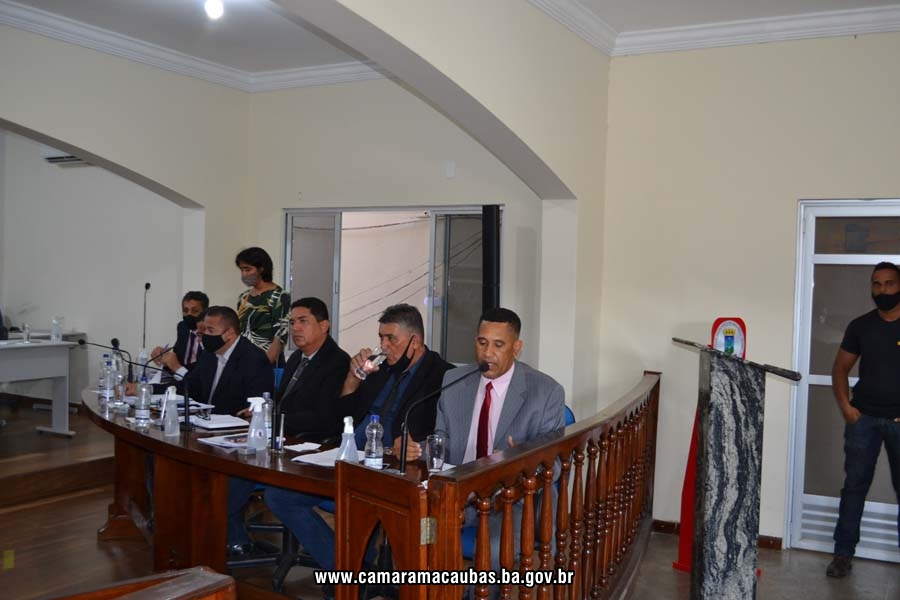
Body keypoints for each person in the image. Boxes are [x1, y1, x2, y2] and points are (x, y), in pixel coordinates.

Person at [263, 303, 453, 575]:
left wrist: (414, 446)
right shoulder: (381, 369)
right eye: (381, 338)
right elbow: (341, 415)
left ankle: (349, 572)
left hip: (391, 470)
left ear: (415, 341)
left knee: (364, 507)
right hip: (351, 457)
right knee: (279, 496)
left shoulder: (442, 375)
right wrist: (353, 379)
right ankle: (350, 568)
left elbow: (442, 433)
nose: (384, 346)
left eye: (391, 339)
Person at [398, 307, 565, 573]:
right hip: (456, 495)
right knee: (418, 533)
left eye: (498, 345)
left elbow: (553, 466)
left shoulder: (545, 392)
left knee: (494, 550)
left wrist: (523, 460)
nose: (487, 353)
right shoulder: (454, 380)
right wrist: (416, 449)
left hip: (508, 499)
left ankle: (479, 591)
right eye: (482, 342)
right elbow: (442, 440)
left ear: (516, 348)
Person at [226, 297, 351, 555]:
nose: (295, 328)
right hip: (281, 439)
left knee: (258, 487)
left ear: (324, 325)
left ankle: (341, 566)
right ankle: (232, 539)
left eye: (303, 321)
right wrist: (262, 411)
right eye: (292, 322)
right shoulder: (296, 358)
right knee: (229, 467)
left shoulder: (337, 362)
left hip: (312, 446)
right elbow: (282, 403)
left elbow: (323, 418)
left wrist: (273, 420)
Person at [826, 261, 900, 578]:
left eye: (889, 283)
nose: (883, 290)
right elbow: (840, 368)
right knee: (854, 487)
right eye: (877, 284)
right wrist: (846, 407)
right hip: (864, 420)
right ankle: (842, 554)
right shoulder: (861, 326)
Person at [186, 306, 273, 416]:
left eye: (210, 330)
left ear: (229, 332)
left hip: (233, 422)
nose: (205, 335)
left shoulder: (254, 359)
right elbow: (191, 387)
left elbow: (255, 405)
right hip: (202, 420)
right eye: (204, 330)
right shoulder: (208, 354)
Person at [235, 247, 290, 365]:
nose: (244, 274)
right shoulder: (244, 297)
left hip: (267, 363)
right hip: (243, 362)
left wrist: (264, 365)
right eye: (241, 270)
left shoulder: (280, 297)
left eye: (248, 269)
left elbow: (280, 336)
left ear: (261, 269)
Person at [153, 291, 210, 384]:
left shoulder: (210, 334)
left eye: (195, 311)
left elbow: (204, 373)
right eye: (185, 311)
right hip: (180, 381)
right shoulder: (182, 327)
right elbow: (178, 356)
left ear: (205, 312)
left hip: (198, 383)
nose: (189, 314)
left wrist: (176, 366)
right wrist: (164, 356)